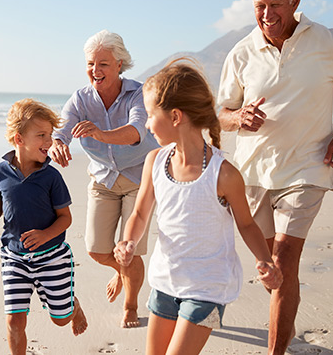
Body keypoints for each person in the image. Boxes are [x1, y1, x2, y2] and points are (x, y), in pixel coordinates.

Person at [217, 0, 333, 355]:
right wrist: (237, 118)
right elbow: (219, 113)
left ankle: (275, 351)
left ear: (296, 1)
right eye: (259, 6)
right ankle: (286, 319)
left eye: (275, 6)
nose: (267, 15)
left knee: (282, 263)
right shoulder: (241, 52)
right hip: (252, 174)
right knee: (273, 273)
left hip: (308, 167)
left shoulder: (329, 43)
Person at [113, 58, 283, 355]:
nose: (147, 123)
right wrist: (128, 241)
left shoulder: (224, 174)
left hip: (207, 288)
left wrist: (266, 261)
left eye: (151, 114)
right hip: (165, 281)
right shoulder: (155, 162)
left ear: (176, 116)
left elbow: (246, 224)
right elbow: (140, 213)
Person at [50, 30, 159, 328]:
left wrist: (99, 133)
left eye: (104, 64)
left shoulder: (138, 93)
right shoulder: (81, 99)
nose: (95, 71)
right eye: (90, 64)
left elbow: (137, 130)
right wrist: (58, 143)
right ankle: (121, 270)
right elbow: (61, 128)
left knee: (128, 249)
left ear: (120, 64)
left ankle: (131, 306)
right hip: (103, 181)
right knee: (98, 250)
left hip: (140, 178)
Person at [0, 98, 87, 355]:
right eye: (41, 135)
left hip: (52, 257)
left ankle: (73, 305)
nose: (49, 142)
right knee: (14, 320)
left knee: (60, 319)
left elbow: (66, 218)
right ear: (19, 139)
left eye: (50, 134)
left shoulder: (51, 177)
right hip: (13, 256)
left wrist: (45, 234)